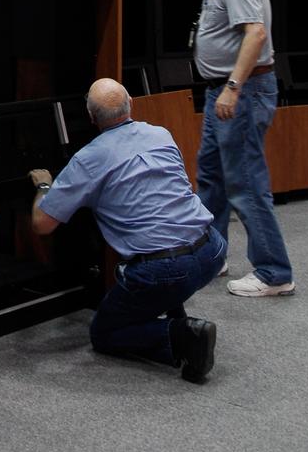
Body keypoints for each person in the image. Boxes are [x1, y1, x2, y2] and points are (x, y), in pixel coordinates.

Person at [29, 78, 226, 384]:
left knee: (105, 332)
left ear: (91, 118)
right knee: (163, 256)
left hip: (166, 268)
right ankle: (177, 316)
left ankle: (182, 334)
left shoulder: (88, 159)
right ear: (131, 103)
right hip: (212, 249)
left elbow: (43, 223)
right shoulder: (160, 134)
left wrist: (44, 185)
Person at [169, 0, 295, 298]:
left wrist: (233, 87)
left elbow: (255, 33)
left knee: (245, 183)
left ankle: (275, 273)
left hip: (240, 92)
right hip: (221, 93)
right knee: (211, 176)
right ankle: (213, 255)